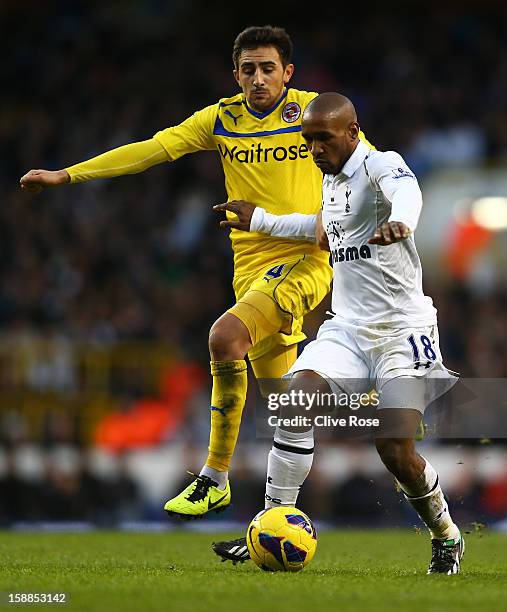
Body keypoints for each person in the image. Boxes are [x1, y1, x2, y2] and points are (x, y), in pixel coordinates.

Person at [20, 26, 372, 519]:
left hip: (305, 262)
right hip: (249, 270)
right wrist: (68, 174)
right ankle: (278, 521)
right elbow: (152, 148)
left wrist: (344, 218)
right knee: (287, 412)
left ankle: (214, 476)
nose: (257, 78)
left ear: (287, 73)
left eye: (268, 68)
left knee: (224, 338)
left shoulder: (316, 112)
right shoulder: (222, 119)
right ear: (236, 73)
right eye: (248, 69)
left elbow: (370, 170)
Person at [212, 93, 464, 575]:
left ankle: (446, 534)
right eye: (307, 140)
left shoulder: (381, 165)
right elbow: (323, 229)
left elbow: (410, 193)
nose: (314, 149)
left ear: (352, 132)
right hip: (347, 327)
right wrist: (259, 219)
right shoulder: (330, 183)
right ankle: (269, 523)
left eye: (323, 138)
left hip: (402, 332)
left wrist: (401, 221)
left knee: (393, 449)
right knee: (293, 403)